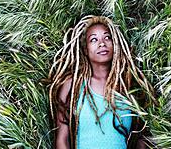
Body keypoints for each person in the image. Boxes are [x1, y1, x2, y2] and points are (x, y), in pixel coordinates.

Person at [48, 15, 157, 149]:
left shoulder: (129, 87)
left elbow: (142, 137)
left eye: (107, 37)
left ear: (115, 45)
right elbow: (62, 140)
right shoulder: (72, 85)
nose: (102, 43)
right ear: (85, 50)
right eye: (94, 39)